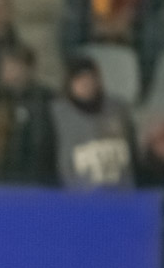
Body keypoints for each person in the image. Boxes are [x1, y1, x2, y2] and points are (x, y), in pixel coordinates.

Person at [0, 45, 55, 184]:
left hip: (37, 175)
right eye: (5, 67)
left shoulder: (46, 99)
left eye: (14, 67)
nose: (9, 72)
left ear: (29, 68)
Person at [50, 55, 138, 190]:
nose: (86, 84)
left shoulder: (118, 110)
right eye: (80, 79)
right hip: (75, 197)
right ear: (69, 83)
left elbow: (134, 152)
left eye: (90, 78)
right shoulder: (56, 114)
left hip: (121, 195)